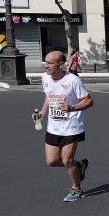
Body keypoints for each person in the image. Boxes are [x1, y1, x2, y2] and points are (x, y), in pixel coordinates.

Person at [32, 50, 93, 202]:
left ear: (61, 65)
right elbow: (49, 95)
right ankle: (79, 166)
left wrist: (71, 108)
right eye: (45, 62)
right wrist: (42, 113)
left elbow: (89, 101)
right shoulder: (45, 77)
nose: (46, 66)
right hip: (53, 126)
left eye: (50, 63)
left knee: (67, 160)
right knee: (51, 161)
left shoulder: (73, 80)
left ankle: (76, 189)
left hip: (72, 126)